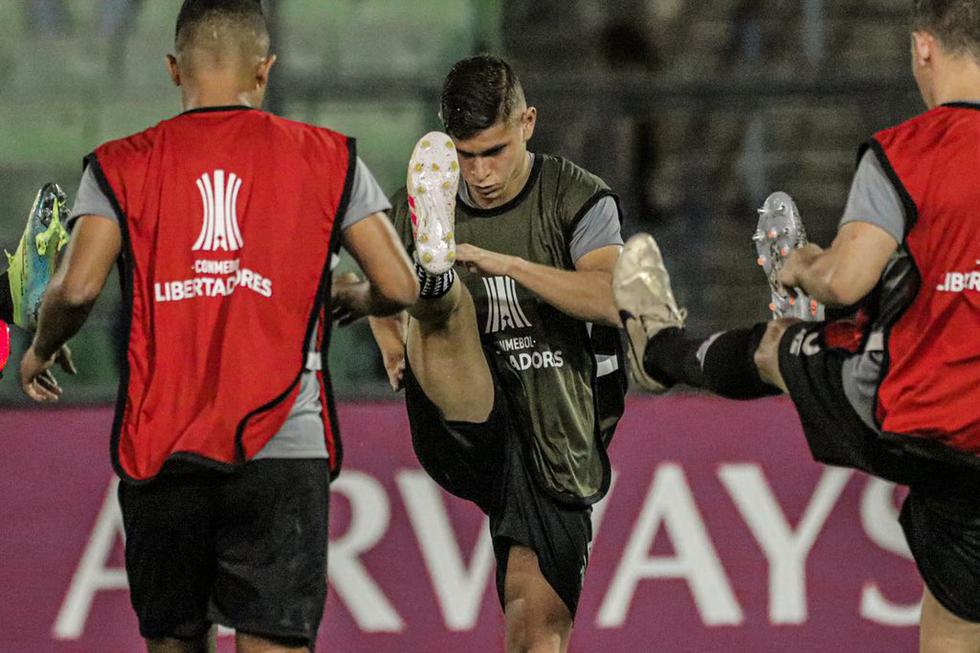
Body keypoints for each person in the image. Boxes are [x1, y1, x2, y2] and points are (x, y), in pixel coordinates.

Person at [19, 1, 417, 652]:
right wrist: (359, 297)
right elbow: (401, 285)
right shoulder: (328, 158)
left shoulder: (120, 165)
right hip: (283, 446)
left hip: (163, 445)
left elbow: (78, 286)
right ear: (265, 71)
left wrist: (44, 344)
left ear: (174, 68)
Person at [613, 1, 980, 650]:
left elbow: (848, 277)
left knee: (779, 347)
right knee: (956, 606)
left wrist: (807, 268)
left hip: (922, 423)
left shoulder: (907, 152)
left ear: (924, 47)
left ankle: (656, 346)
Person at [371, 54, 628, 652]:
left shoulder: (579, 198)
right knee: (448, 297)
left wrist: (507, 263)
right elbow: (364, 283)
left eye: (495, 152)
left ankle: (433, 278)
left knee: (537, 630)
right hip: (464, 414)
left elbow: (609, 297)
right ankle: (433, 280)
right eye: (465, 156)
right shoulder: (423, 197)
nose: (481, 174)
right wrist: (386, 330)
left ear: (528, 123)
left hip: (555, 436)